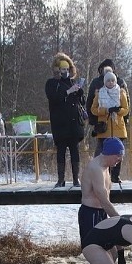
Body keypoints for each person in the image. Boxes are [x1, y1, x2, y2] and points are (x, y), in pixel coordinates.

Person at [79, 137, 123, 264]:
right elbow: (103, 200)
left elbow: (106, 201)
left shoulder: (106, 167)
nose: (120, 160)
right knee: (98, 259)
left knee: (111, 253)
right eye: (118, 156)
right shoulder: (95, 168)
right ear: (110, 153)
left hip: (101, 214)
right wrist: (119, 221)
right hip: (90, 215)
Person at [45, 53, 86, 187]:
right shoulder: (52, 83)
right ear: (57, 69)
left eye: (67, 70)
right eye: (63, 69)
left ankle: (75, 179)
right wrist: (68, 92)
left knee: (75, 150)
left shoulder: (73, 82)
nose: (65, 72)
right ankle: (60, 179)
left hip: (74, 123)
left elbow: (82, 102)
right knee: (61, 150)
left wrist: (80, 93)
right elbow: (53, 98)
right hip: (60, 123)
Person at [91, 71, 130, 183]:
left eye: (112, 80)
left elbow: (126, 109)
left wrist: (118, 110)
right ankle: (103, 176)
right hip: (104, 127)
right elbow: (93, 109)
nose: (110, 82)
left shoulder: (121, 92)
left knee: (118, 153)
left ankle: (115, 176)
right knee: (104, 154)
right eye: (108, 80)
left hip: (118, 126)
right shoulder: (99, 93)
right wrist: (105, 110)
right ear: (105, 82)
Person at [86, 59, 130, 137]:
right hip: (102, 122)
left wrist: (125, 118)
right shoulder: (96, 83)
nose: (110, 83)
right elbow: (90, 102)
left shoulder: (120, 83)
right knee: (102, 147)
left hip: (117, 122)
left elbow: (126, 104)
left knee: (115, 147)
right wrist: (93, 120)